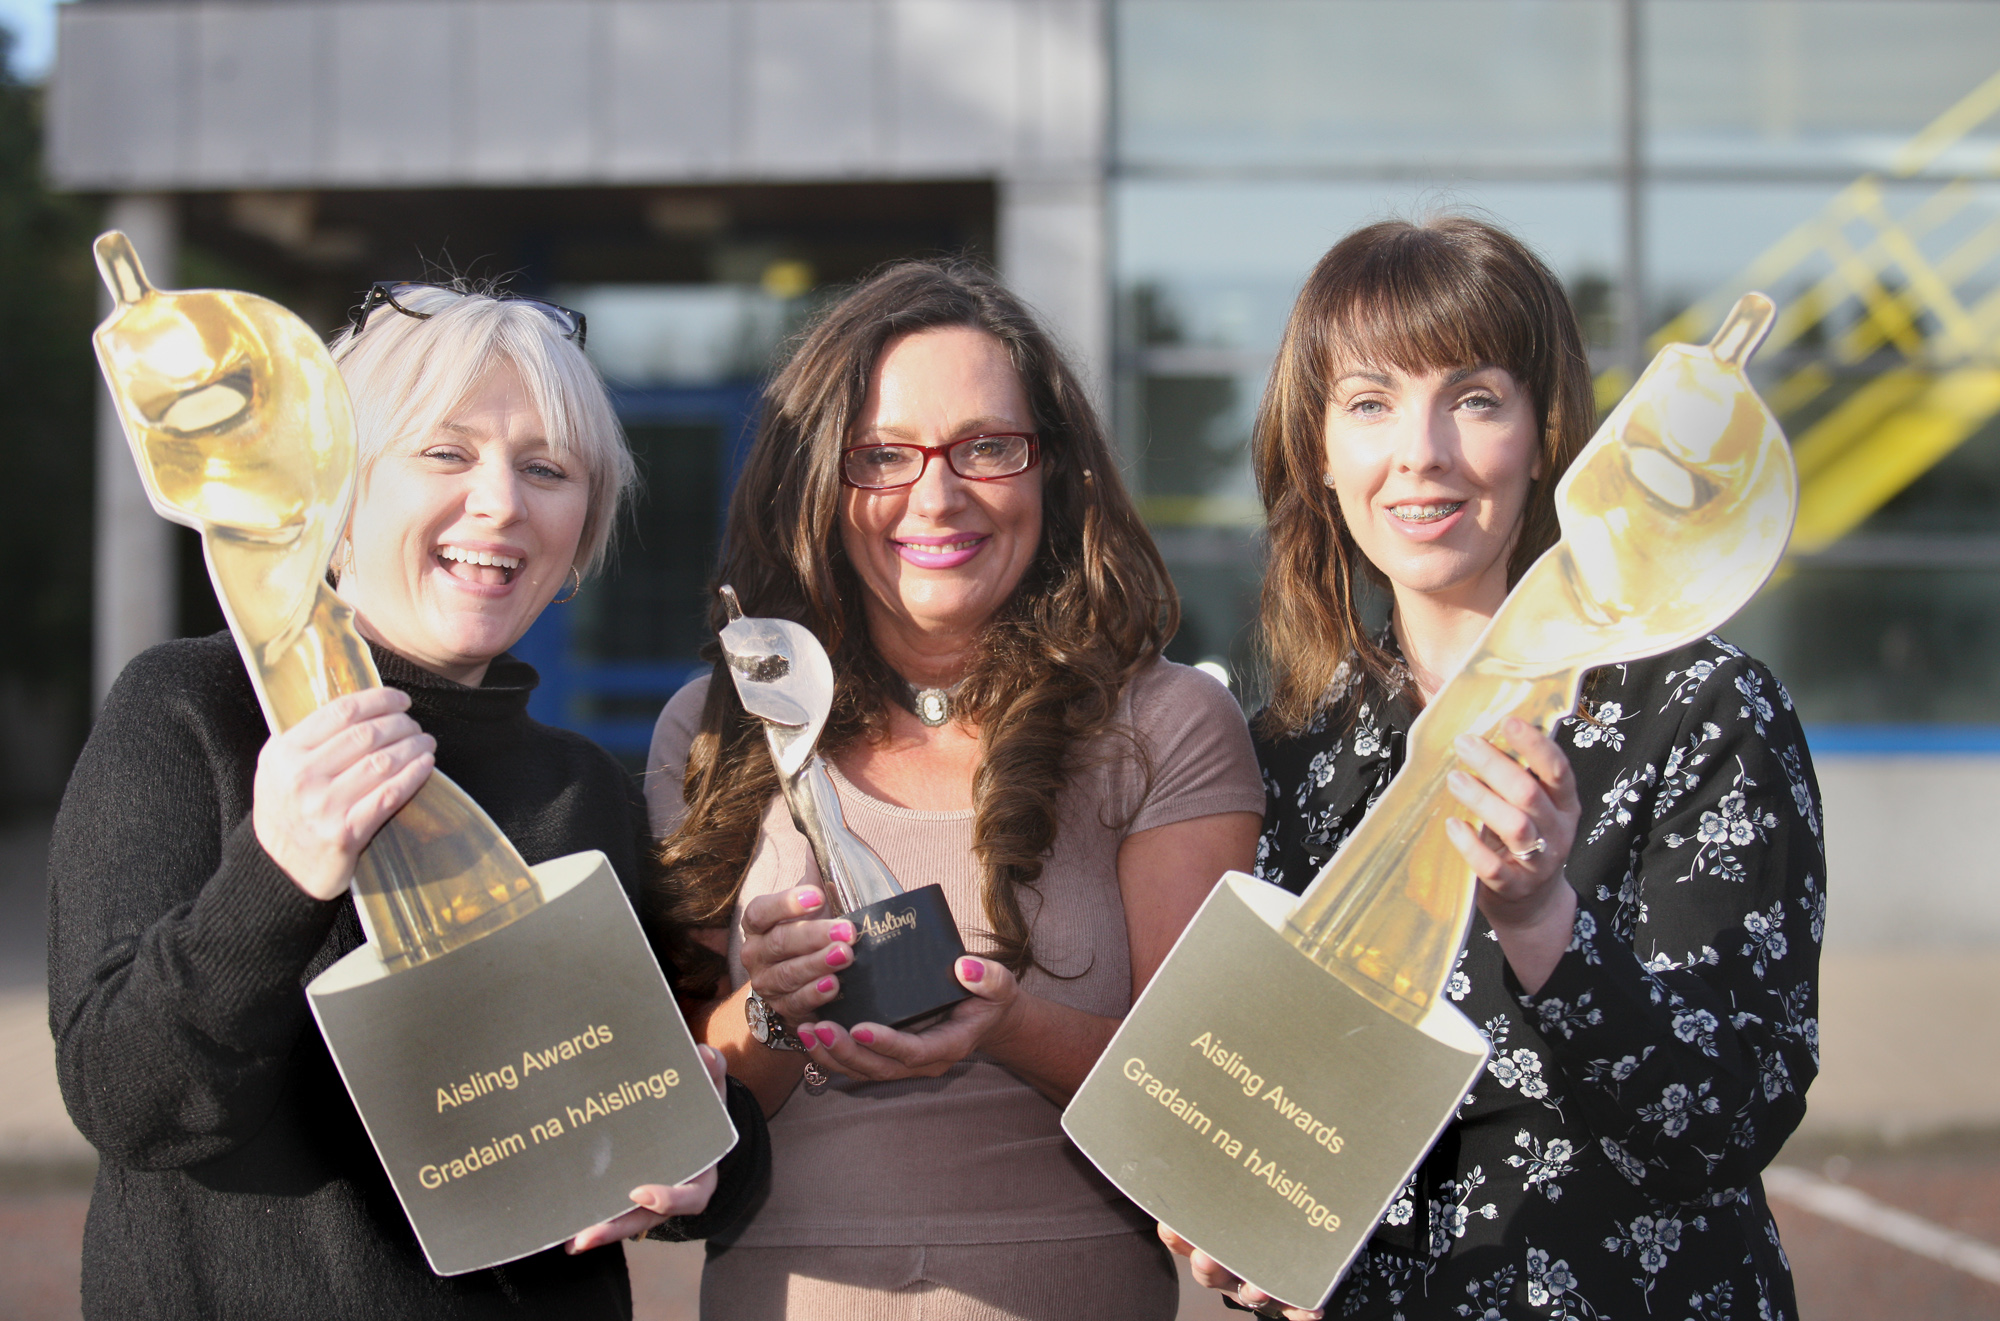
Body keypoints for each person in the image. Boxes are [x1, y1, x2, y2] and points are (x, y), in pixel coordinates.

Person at [48, 281, 767, 1319]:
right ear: (337, 484)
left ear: (585, 525)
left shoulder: (583, 792)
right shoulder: (193, 712)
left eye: (546, 469)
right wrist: (279, 870)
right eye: (446, 452)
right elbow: (130, 1100)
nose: (500, 502)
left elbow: (666, 1117)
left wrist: (699, 1159)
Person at [1169, 217, 1824, 1319]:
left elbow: (1727, 1118)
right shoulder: (1290, 745)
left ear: (1542, 434)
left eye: (1473, 399)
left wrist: (1539, 920)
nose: (1419, 451)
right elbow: (1282, 1108)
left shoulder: (1702, 710)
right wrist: (1238, 1225)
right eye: (1369, 403)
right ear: (1318, 453)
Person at [646, 260, 1266, 1319]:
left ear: (1053, 470)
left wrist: (1009, 1023)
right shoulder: (720, 728)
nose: (934, 496)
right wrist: (777, 1010)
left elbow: (1204, 1104)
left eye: (986, 446)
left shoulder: (1163, 725)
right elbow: (677, 1123)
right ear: (819, 485)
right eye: (881, 455)